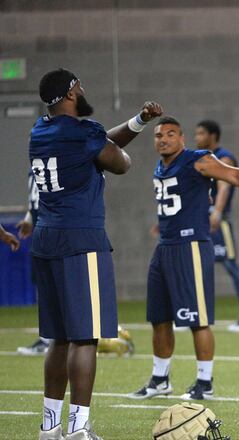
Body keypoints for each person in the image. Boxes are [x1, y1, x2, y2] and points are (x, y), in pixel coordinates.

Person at [129, 116, 239, 402]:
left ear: (182, 139)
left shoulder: (198, 159)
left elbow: (235, 175)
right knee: (159, 319)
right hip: (165, 247)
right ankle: (160, 380)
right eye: (159, 135)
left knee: (198, 319)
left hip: (191, 245)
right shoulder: (161, 166)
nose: (163, 139)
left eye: (171, 134)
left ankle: (204, 382)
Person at [32, 68, 163, 440]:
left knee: (58, 338)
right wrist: (117, 152)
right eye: (80, 85)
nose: (84, 89)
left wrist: (137, 122)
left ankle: (50, 427)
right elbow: (120, 162)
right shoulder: (84, 133)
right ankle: (78, 429)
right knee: (85, 338)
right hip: (81, 240)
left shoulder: (39, 131)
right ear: (72, 92)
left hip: (46, 239)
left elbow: (95, 141)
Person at [193, 120, 239, 332]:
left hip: (218, 221)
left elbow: (224, 186)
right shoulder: (199, 158)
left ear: (213, 135)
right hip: (199, 220)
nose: (197, 137)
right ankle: (192, 315)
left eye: (201, 133)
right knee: (195, 267)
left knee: (231, 265)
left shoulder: (223, 157)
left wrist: (217, 213)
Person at [16, 172, 52, 355]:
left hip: (55, 233)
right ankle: (48, 338)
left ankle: (53, 339)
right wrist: (29, 220)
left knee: (56, 288)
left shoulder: (58, 160)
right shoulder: (35, 168)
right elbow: (36, 202)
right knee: (43, 286)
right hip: (40, 235)